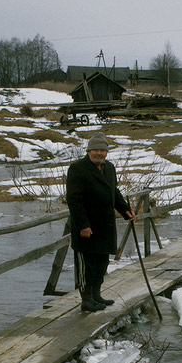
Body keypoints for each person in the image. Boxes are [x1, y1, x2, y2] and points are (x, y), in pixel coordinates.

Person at [66, 132, 135, 312]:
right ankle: (86, 301)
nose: (99, 153)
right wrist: (83, 225)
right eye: (96, 150)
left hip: (105, 228)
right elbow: (74, 200)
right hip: (86, 229)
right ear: (89, 151)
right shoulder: (78, 168)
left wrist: (125, 210)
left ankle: (96, 295)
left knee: (101, 264)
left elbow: (114, 192)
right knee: (87, 267)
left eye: (102, 150)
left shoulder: (109, 168)